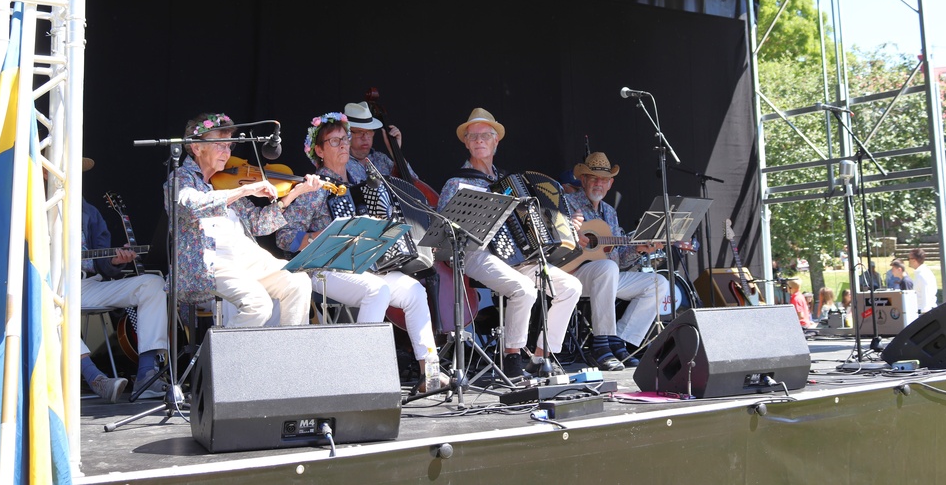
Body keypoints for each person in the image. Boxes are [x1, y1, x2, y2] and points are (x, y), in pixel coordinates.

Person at [276, 112, 445, 391]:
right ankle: (361, 375)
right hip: (323, 268)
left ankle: (431, 372)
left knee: (415, 291)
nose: (344, 145)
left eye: (345, 139)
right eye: (334, 141)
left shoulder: (362, 177)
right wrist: (320, 237)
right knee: (375, 291)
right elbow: (284, 237)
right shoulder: (312, 188)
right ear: (318, 151)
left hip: (366, 265)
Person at [437, 108, 582, 378]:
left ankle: (541, 357)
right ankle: (512, 358)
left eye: (485, 136)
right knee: (525, 290)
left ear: (496, 141)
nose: (479, 140)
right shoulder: (456, 183)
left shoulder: (512, 183)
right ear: (466, 143)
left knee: (571, 287)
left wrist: (564, 227)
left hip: (517, 258)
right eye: (473, 136)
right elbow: (444, 233)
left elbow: (535, 225)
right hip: (475, 254)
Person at [166, 113, 316, 328]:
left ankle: (289, 355)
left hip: (248, 259)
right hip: (211, 263)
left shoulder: (224, 182)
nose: (226, 153)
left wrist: (294, 194)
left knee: (298, 281)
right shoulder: (181, 178)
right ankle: (227, 359)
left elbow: (257, 224)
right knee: (258, 304)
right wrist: (244, 189)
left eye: (229, 146)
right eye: (220, 145)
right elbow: (191, 205)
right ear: (197, 148)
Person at [564, 152, 670, 371]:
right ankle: (601, 345)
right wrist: (573, 234)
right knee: (607, 268)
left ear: (610, 184)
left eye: (604, 180)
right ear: (583, 180)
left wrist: (638, 249)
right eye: (593, 178)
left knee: (659, 283)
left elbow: (619, 259)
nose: (598, 184)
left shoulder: (610, 212)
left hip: (607, 275)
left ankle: (620, 341)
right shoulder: (568, 204)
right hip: (574, 275)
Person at [78, 157, 170, 402]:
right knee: (39, 301)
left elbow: (104, 265)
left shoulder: (88, 211)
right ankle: (94, 378)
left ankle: (146, 375)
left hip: (86, 285)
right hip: (47, 287)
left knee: (153, 284)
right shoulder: (30, 207)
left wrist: (117, 261)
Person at [344, 101, 421, 181]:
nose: (365, 137)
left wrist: (395, 152)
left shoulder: (381, 159)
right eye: (359, 132)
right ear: (347, 134)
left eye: (369, 131)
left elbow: (414, 184)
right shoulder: (341, 161)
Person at [908, 247, 938, 314]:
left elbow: (926, 296)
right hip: (922, 312)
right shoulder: (920, 273)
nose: (908, 261)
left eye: (909, 258)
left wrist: (924, 314)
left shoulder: (923, 275)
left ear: (914, 260)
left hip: (925, 313)